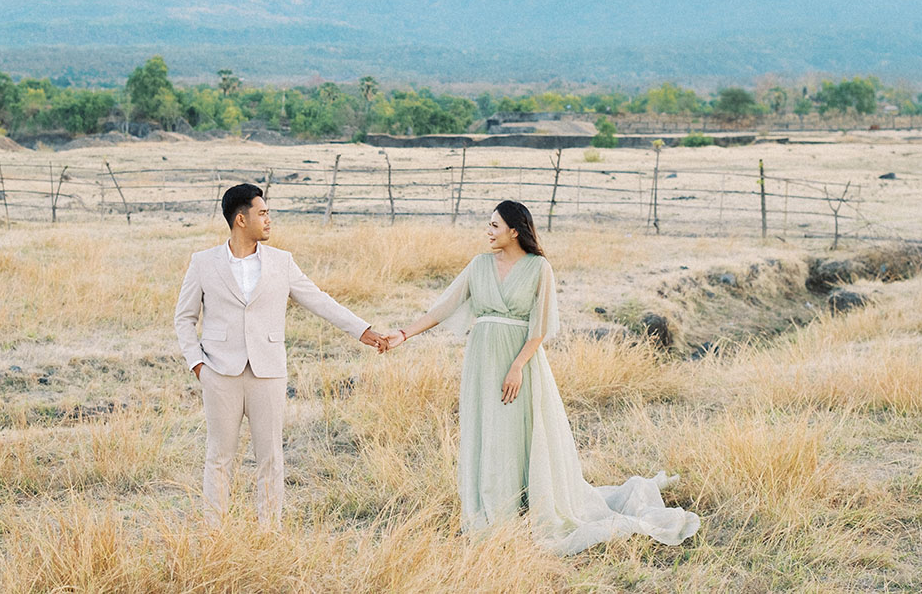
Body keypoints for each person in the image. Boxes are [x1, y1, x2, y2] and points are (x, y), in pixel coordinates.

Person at [383, 200, 699, 553]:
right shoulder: (479, 265)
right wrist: (403, 333)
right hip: (481, 360)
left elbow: (541, 326)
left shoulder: (538, 268)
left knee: (517, 429)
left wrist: (517, 366)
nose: (487, 232)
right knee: (486, 428)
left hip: (520, 360)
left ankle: (524, 504)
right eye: (488, 225)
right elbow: (443, 307)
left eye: (494, 226)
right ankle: (490, 511)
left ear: (514, 231)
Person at [175, 182, 386, 523]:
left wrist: (363, 330)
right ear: (241, 219)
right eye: (263, 213)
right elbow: (184, 318)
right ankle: (214, 535)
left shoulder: (282, 262)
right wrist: (198, 365)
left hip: (268, 371)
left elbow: (319, 300)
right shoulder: (203, 263)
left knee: (270, 457)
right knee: (218, 457)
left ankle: (268, 532)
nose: (269, 220)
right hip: (219, 373)